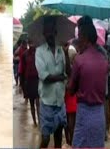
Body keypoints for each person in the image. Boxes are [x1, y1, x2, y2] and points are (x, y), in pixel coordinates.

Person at [67, 15, 108, 148]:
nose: (77, 40)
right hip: (100, 115)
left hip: (84, 115)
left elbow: (71, 90)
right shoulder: (103, 59)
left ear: (84, 37)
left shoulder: (79, 60)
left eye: (79, 36)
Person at [35, 16, 67, 148]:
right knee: (46, 138)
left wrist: (62, 75)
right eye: (46, 31)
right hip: (46, 102)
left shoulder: (61, 51)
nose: (49, 33)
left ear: (55, 31)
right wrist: (60, 77)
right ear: (43, 33)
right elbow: (44, 76)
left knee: (59, 138)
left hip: (60, 101)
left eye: (51, 30)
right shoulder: (39, 51)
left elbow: (67, 73)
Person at [63, 39, 79, 146]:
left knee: (67, 120)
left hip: (65, 95)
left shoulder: (62, 66)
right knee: (72, 120)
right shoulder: (73, 68)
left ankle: (69, 140)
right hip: (71, 95)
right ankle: (71, 141)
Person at [21, 39, 40, 126]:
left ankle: (40, 121)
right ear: (28, 44)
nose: (32, 45)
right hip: (29, 80)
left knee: (38, 102)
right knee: (32, 103)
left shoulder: (38, 53)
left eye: (33, 43)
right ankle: (34, 122)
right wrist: (24, 83)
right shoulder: (25, 55)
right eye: (31, 43)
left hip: (37, 79)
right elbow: (23, 69)